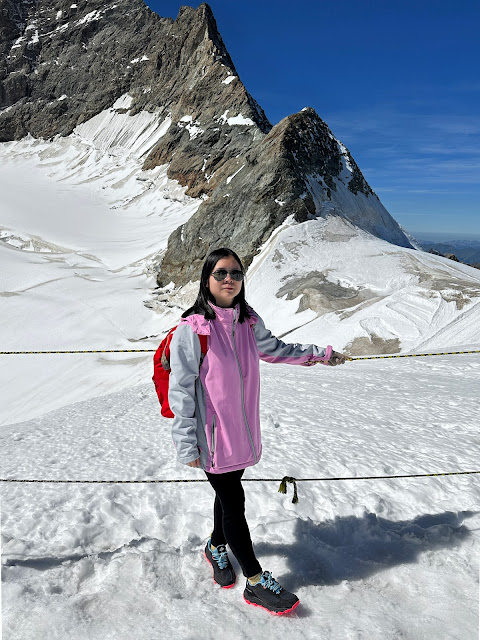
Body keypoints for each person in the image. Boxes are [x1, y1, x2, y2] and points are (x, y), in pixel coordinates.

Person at [168, 247, 346, 615]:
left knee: (227, 497)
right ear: (206, 279)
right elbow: (181, 391)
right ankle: (254, 581)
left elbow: (276, 349)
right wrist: (186, 443)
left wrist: (320, 354)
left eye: (235, 273)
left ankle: (215, 547)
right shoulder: (193, 330)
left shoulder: (247, 322)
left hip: (242, 432)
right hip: (211, 437)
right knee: (234, 504)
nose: (229, 279)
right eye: (220, 273)